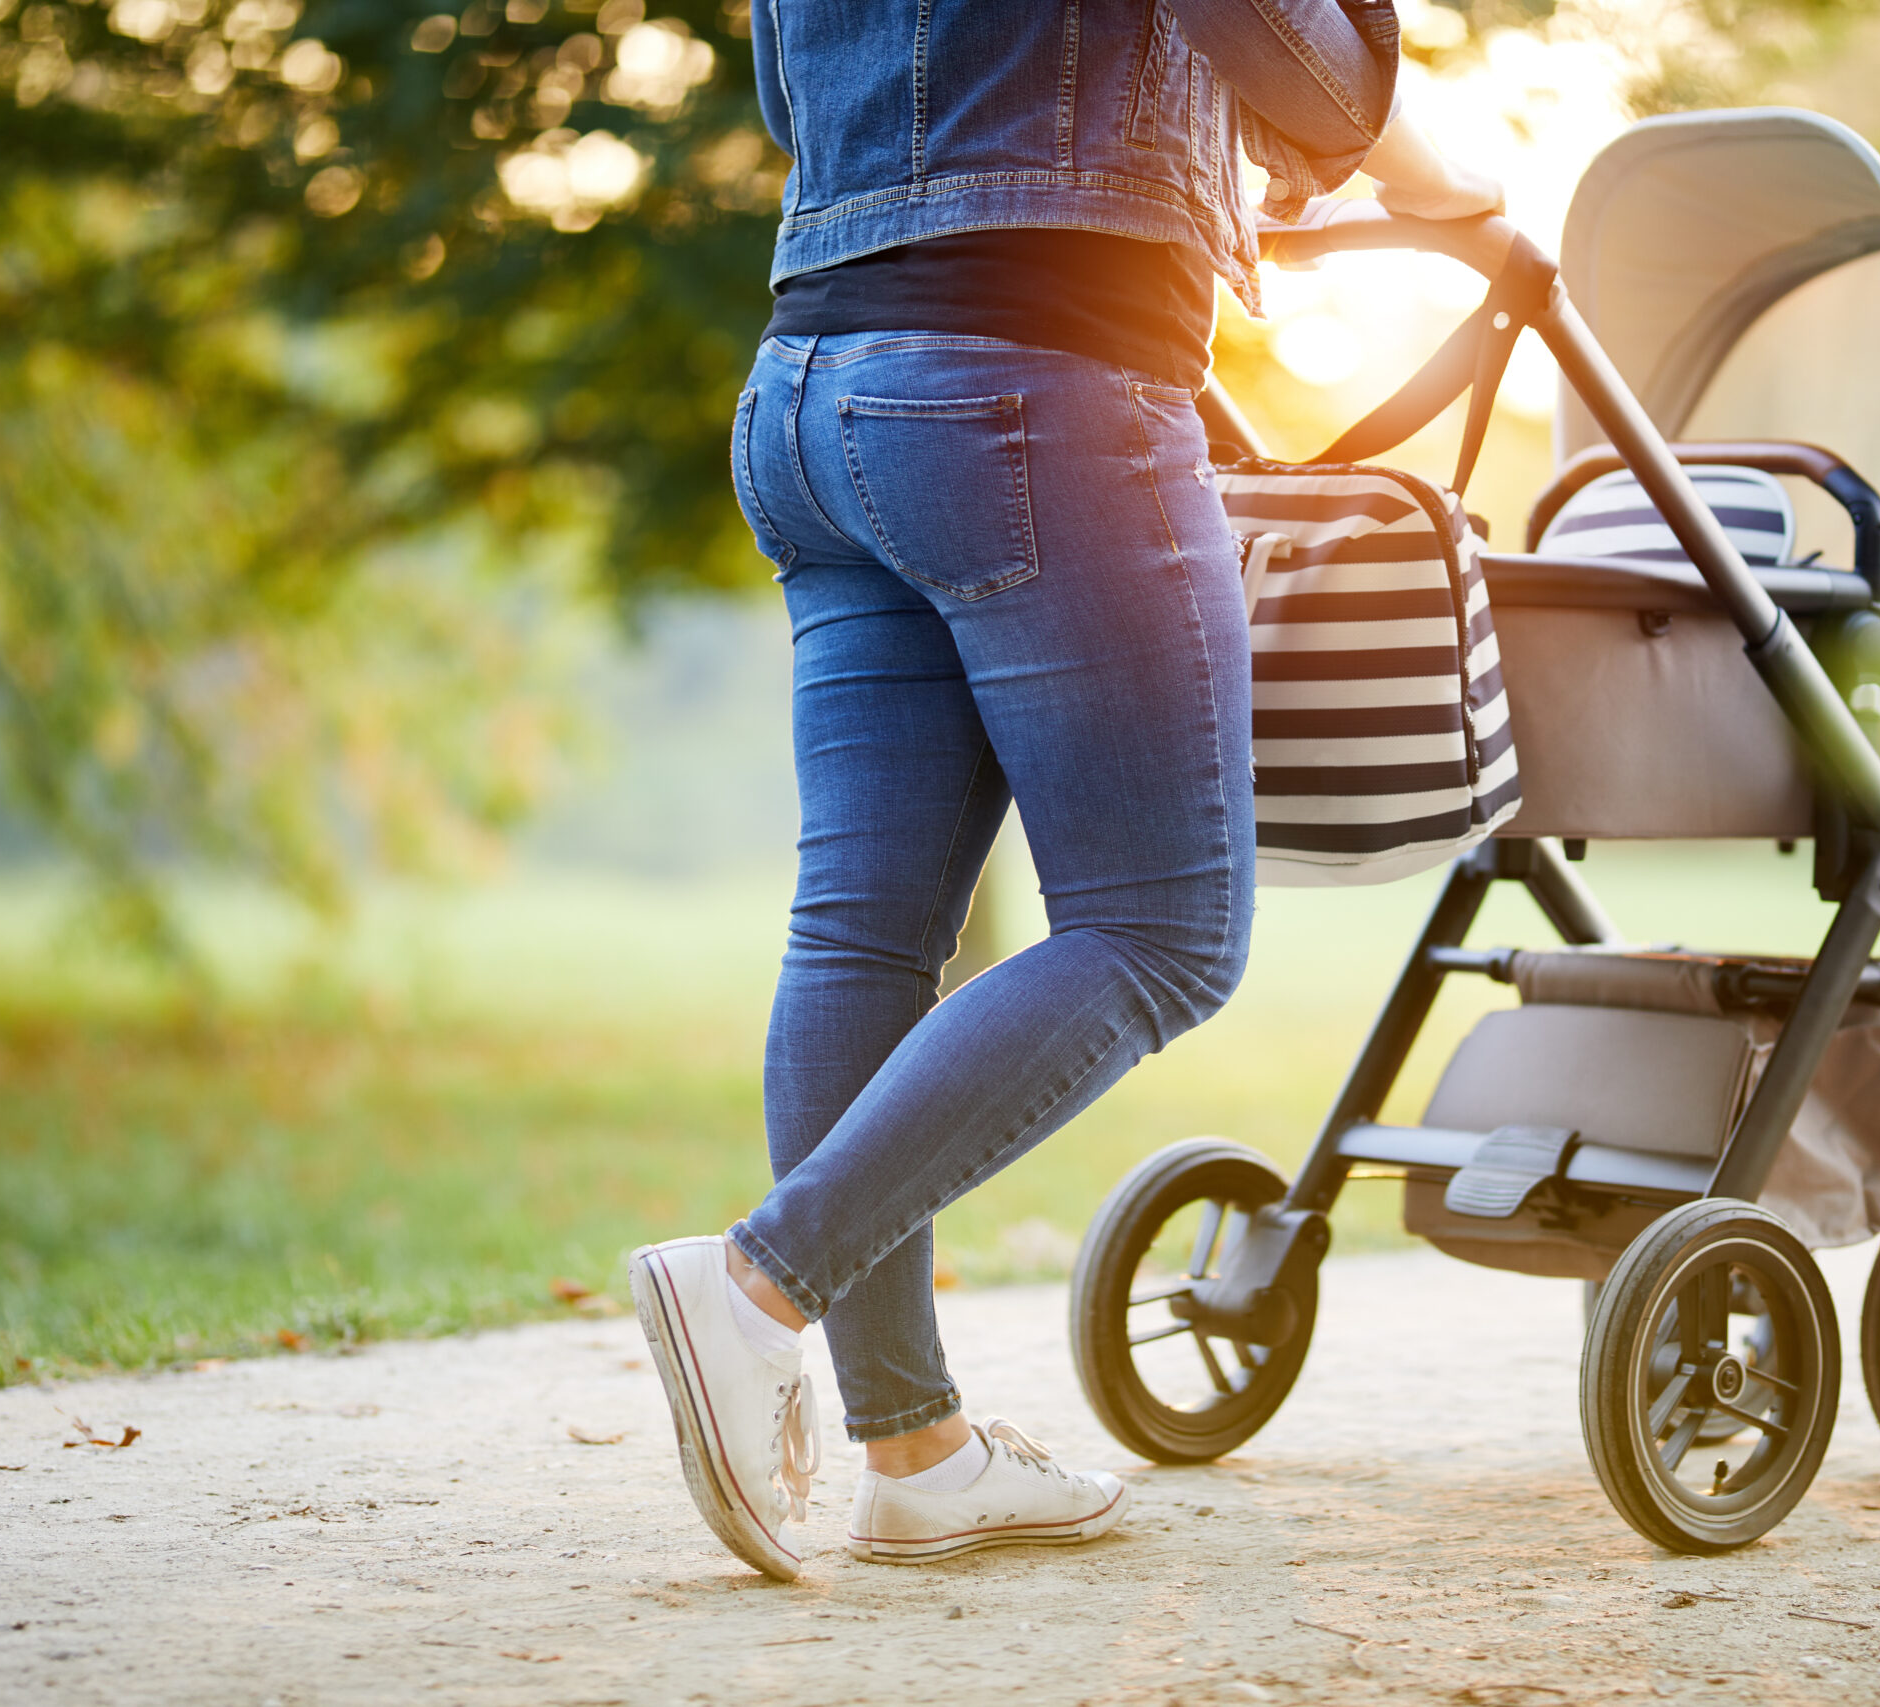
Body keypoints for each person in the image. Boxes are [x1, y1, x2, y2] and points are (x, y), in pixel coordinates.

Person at [627, 0, 1503, 1580]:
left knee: (866, 936)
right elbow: (1306, 66)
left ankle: (911, 1452)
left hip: (809, 388)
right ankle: (758, 1287)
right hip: (1033, 377)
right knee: (1164, 932)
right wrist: (1437, 178)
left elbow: (795, 83)